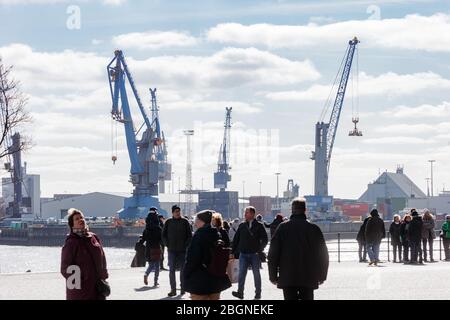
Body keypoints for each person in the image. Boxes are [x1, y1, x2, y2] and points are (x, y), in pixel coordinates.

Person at [268, 197, 329, 300]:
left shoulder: (282, 228)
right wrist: (322, 275)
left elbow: (273, 254)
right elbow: (323, 255)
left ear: (292, 210)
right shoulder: (314, 229)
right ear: (305, 210)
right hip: (308, 276)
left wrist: (273, 276)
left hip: (288, 276)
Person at [60, 208, 108, 300]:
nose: (80, 220)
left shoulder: (93, 237)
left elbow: (102, 257)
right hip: (80, 291)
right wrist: (81, 281)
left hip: (98, 286)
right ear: (71, 224)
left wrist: (104, 275)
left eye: (81, 217)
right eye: (77, 219)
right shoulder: (71, 243)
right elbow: (65, 268)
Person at [183, 210, 232, 300]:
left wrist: (185, 274)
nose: (194, 223)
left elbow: (193, 259)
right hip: (216, 279)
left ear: (201, 221)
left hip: (199, 281)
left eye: (196, 220)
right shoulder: (217, 234)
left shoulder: (198, 236)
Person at [230, 206, 268, 300]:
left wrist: (259, 249)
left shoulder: (259, 225)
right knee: (241, 274)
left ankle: (258, 294)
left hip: (254, 254)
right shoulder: (242, 225)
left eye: (246, 212)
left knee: (256, 274)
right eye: (245, 212)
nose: (244, 214)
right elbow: (236, 240)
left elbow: (265, 239)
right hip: (243, 254)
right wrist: (232, 252)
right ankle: (240, 293)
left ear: (252, 214)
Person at [162, 204, 192, 297]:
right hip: (171, 250)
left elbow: (189, 235)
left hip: (182, 250)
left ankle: (183, 289)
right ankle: (173, 290)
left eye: (179, 211)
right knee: (172, 270)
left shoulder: (185, 222)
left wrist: (186, 245)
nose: (178, 213)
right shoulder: (168, 222)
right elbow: (163, 235)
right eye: (176, 211)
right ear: (172, 213)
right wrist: (167, 244)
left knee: (183, 270)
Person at [141, 209, 162, 287]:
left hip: (148, 247)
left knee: (151, 264)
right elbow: (161, 238)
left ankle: (146, 274)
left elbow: (143, 238)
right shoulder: (158, 228)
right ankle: (155, 282)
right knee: (157, 265)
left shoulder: (146, 229)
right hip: (156, 247)